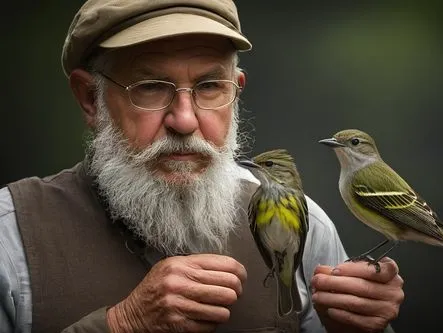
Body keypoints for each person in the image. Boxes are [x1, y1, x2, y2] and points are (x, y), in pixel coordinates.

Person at [0, 1, 404, 332]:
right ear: (91, 99)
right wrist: (122, 325)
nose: (186, 120)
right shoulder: (11, 235)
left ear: (236, 91)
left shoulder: (307, 223)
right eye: (151, 87)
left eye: (210, 87)